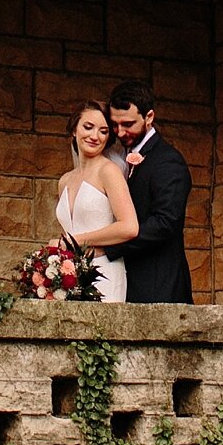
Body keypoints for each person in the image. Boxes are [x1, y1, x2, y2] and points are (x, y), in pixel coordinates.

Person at [106, 81, 193, 305]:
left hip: (158, 287)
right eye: (115, 125)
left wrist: (110, 245)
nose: (120, 132)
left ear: (149, 117)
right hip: (121, 282)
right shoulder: (115, 158)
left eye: (128, 124)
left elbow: (164, 223)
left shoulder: (168, 161)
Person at [55, 102, 140, 300]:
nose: (95, 136)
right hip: (72, 276)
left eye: (103, 131)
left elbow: (129, 227)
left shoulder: (108, 171)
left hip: (105, 274)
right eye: (88, 127)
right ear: (74, 129)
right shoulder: (65, 180)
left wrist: (75, 241)